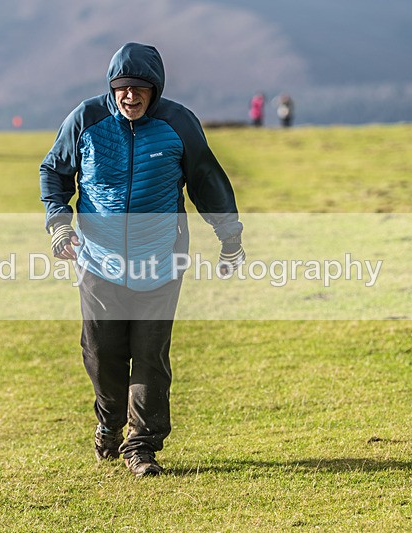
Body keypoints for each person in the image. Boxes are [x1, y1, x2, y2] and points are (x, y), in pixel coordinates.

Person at [40, 42, 245, 477]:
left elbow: (206, 181)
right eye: (122, 89)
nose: (130, 96)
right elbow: (54, 173)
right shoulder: (86, 119)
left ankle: (142, 446)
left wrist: (230, 238)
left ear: (155, 90)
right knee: (101, 354)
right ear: (111, 89)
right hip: (97, 262)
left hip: (161, 260)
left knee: (150, 355)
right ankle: (110, 423)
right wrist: (59, 225)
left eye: (140, 89)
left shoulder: (178, 124)